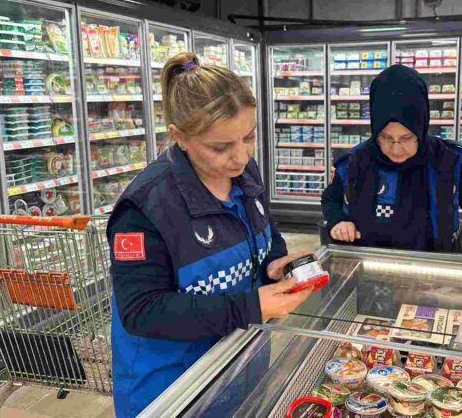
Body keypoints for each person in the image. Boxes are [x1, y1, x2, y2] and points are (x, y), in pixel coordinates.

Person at [107, 52, 313, 417]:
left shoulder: (245, 174)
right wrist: (252, 306)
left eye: (249, 137)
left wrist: (275, 264)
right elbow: (142, 311)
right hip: (173, 391)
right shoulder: (144, 209)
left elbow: (266, 236)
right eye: (221, 147)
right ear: (180, 137)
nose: (241, 156)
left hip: (238, 365)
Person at [321, 65, 462, 267]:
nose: (396, 149)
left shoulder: (448, 162)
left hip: (436, 278)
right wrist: (338, 221)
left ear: (421, 128)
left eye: (406, 138)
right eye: (386, 138)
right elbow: (330, 199)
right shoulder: (354, 162)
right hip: (368, 272)